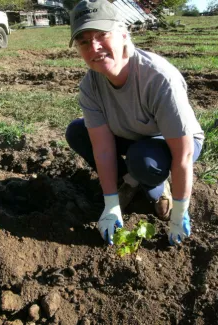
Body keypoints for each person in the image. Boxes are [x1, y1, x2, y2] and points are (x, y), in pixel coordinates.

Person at [66, 0, 204, 246]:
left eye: (101, 35)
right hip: (132, 135)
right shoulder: (91, 86)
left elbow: (182, 155)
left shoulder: (159, 79)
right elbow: (104, 148)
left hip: (173, 141)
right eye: (84, 42)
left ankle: (156, 187)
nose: (94, 47)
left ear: (123, 34)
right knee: (78, 131)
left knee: (145, 161)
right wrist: (110, 204)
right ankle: (125, 184)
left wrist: (180, 212)